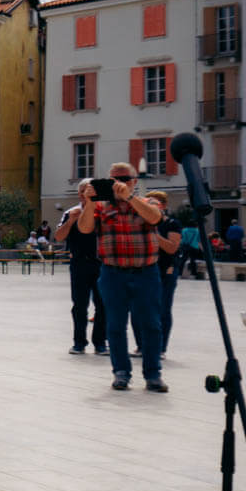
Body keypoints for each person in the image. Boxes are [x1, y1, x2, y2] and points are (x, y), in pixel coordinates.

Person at [79, 161, 166, 392]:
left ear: (134, 182)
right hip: (112, 272)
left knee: (151, 325)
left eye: (125, 179)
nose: (120, 184)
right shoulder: (101, 207)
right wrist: (89, 202)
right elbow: (85, 229)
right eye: (114, 179)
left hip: (146, 272)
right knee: (115, 325)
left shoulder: (147, 202)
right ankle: (121, 373)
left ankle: (153, 374)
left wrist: (129, 198)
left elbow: (155, 218)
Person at [54, 182, 107, 356]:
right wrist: (70, 222)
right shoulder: (71, 213)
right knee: (79, 304)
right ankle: (79, 342)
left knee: (103, 304)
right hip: (79, 264)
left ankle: (100, 343)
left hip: (101, 264)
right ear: (80, 194)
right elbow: (59, 236)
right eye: (85, 191)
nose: (88, 194)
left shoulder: (103, 213)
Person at [146, 191, 181, 353]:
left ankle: (161, 348)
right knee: (144, 310)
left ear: (164, 206)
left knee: (163, 309)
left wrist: (153, 233)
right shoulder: (143, 222)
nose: (152, 206)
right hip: (146, 269)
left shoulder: (172, 224)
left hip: (166, 270)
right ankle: (144, 345)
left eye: (156, 203)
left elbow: (172, 248)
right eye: (149, 202)